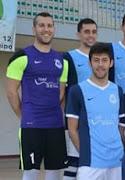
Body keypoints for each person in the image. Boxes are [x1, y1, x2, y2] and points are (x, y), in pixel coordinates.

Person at [6, 12, 68, 180]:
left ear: (54, 29)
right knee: (31, 173)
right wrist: (23, 115)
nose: (46, 29)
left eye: (49, 26)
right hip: (31, 126)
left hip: (55, 125)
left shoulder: (63, 61)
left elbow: (61, 93)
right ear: (34, 29)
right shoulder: (21, 57)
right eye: (41, 25)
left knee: (55, 174)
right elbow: (11, 92)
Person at [66, 43, 125, 179]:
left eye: (104, 60)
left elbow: (120, 128)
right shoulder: (77, 90)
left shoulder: (117, 90)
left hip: (116, 161)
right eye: (96, 60)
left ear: (111, 63)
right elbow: (72, 129)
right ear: (89, 63)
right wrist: (85, 151)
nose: (100, 65)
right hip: (90, 163)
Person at [63, 18, 97, 180]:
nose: (91, 35)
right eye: (86, 31)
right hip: (76, 122)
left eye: (94, 32)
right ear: (79, 34)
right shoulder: (68, 57)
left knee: (93, 166)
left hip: (97, 122)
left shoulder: (100, 59)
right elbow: (63, 92)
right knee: (73, 164)